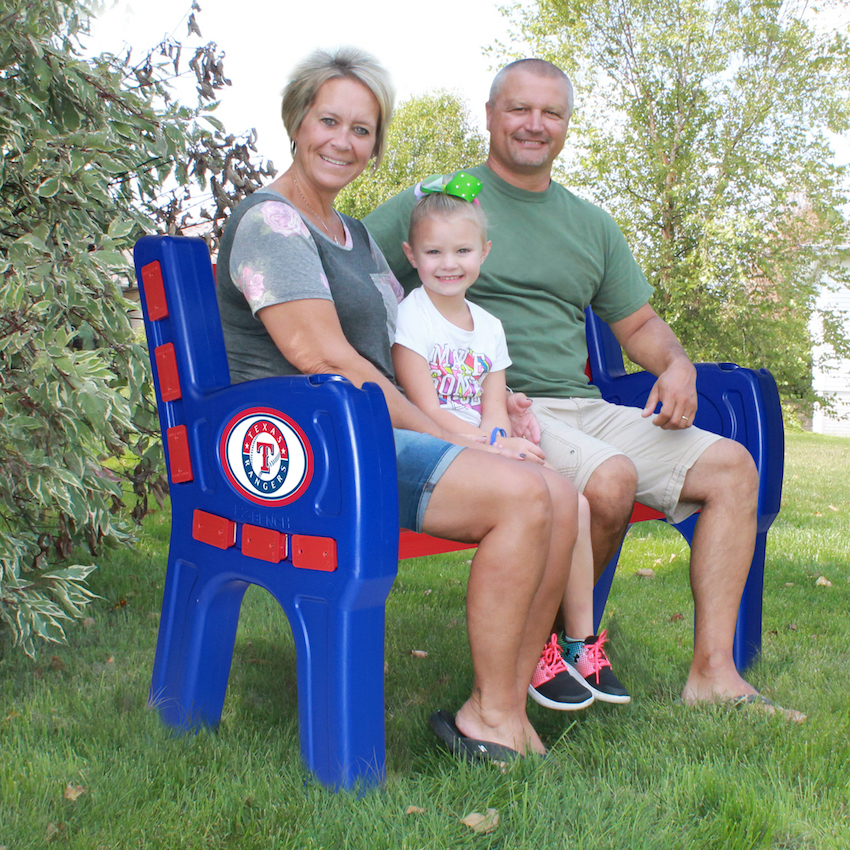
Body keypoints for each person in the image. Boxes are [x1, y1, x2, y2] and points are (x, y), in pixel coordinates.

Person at [365, 58, 805, 721]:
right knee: (608, 481)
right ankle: (551, 651)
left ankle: (713, 673)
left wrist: (676, 364)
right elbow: (350, 268)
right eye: (519, 109)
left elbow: (639, 323)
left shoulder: (589, 223)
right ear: (490, 116)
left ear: (567, 126)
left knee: (732, 470)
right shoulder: (442, 203)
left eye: (552, 113)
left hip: (587, 405)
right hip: (500, 408)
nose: (534, 125)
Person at [215, 46, 588, 761]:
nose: (343, 141)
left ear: (376, 145)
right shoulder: (272, 223)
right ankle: (497, 713)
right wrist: (462, 441)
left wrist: (494, 409)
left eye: (362, 130)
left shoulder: (352, 236)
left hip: (365, 431)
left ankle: (499, 706)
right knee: (522, 496)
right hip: (305, 446)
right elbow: (322, 357)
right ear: (297, 122)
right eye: (329, 120)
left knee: (559, 492)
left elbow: (407, 351)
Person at [392, 175, 629, 709]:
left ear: (484, 253)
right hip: (439, 445)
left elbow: (493, 403)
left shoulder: (490, 327)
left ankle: (578, 643)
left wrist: (503, 438)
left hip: (483, 444)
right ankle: (535, 652)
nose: (448, 263)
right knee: (539, 495)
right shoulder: (413, 315)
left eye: (462, 250)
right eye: (433, 251)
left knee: (575, 500)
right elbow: (424, 407)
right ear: (411, 254)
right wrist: (492, 447)